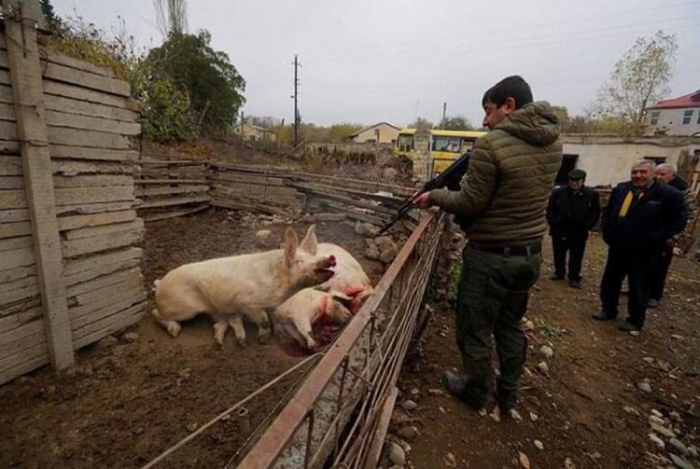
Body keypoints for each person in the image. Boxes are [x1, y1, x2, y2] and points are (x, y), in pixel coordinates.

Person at [413, 76, 562, 412]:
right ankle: (508, 392)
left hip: (492, 254)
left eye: (489, 110)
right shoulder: (553, 143)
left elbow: (470, 203)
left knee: (475, 326)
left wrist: (434, 195)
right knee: (510, 324)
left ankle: (476, 391)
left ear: (509, 106)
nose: (484, 120)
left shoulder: (492, 145)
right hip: (530, 252)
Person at [594, 160, 687, 331]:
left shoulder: (668, 194)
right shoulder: (621, 189)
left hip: (644, 250)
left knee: (638, 285)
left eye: (643, 172)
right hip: (618, 246)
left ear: (652, 174)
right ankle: (608, 309)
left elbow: (678, 220)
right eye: (635, 172)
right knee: (610, 281)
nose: (638, 175)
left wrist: (656, 238)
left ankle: (635, 319)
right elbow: (608, 212)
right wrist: (607, 232)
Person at [648, 163, 695, 307]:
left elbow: (689, 217)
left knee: (659, 267)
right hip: (649, 233)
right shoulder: (653, 188)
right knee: (641, 263)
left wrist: (675, 237)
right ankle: (636, 288)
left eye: (663, 174)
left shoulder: (684, 192)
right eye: (657, 174)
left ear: (672, 175)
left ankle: (654, 295)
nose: (659, 177)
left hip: (667, 235)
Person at [546, 168, 601, 288]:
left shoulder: (591, 194)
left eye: (577, 181)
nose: (574, 183)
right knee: (558, 252)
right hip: (560, 229)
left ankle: (574, 277)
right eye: (572, 180)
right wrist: (554, 222)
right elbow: (550, 209)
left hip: (578, 230)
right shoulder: (558, 193)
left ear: (583, 181)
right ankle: (559, 272)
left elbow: (595, 212)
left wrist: (587, 225)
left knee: (576, 255)